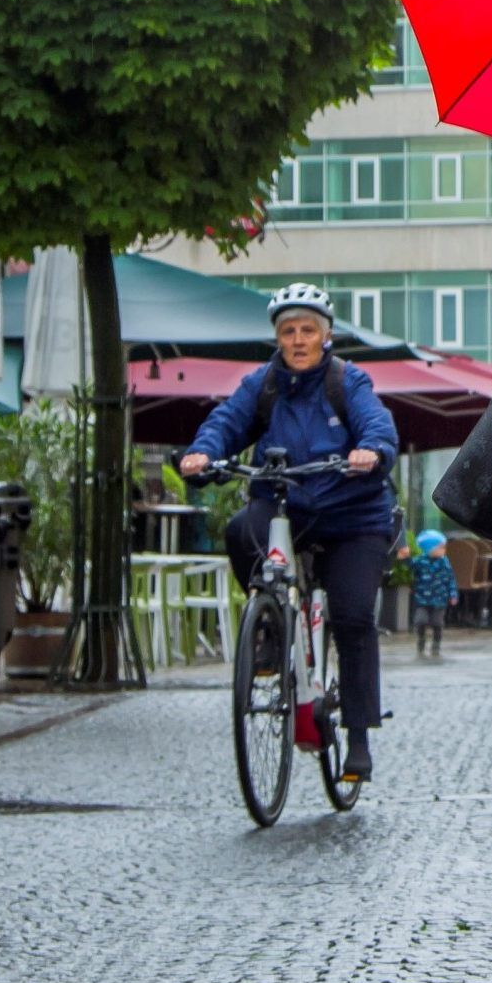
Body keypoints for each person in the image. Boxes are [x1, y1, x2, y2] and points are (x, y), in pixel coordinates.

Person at [178, 285, 401, 782]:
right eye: (288, 331)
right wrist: (202, 453)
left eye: (307, 330)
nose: (298, 340)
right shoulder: (262, 386)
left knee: (351, 615)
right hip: (285, 505)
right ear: (277, 339)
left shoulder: (349, 382)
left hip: (352, 515)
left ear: (325, 335)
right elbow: (225, 424)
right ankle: (269, 629)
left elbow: (377, 426)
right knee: (241, 532)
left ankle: (359, 734)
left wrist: (372, 451)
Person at [410, 529, 458, 659]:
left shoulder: (444, 562)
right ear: (429, 548)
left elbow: (450, 578)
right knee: (420, 621)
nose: (443, 551)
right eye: (440, 548)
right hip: (422, 599)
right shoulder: (420, 561)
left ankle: (436, 645)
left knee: (437, 623)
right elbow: (409, 565)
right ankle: (421, 641)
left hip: (440, 600)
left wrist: (453, 594)